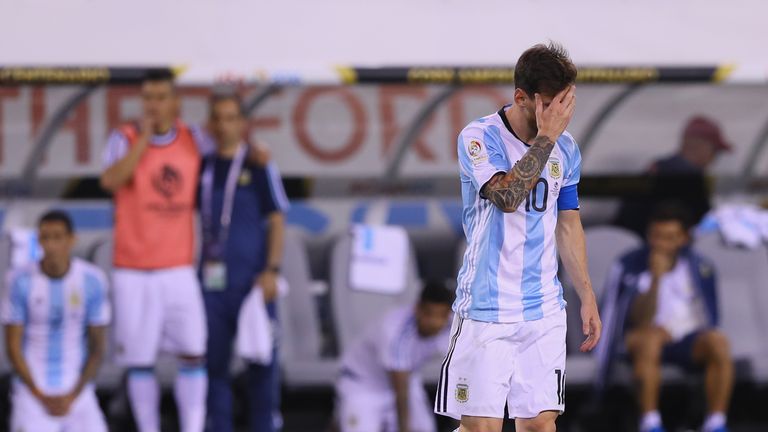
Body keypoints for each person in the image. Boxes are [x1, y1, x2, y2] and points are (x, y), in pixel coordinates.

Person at [436, 42, 602, 432]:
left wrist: (587, 293)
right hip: (486, 309)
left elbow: (568, 223)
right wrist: (545, 138)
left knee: (541, 426)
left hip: (543, 310)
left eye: (567, 103)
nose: (561, 115)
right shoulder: (479, 138)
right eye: (551, 105)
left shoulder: (568, 149)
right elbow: (508, 197)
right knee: (483, 429)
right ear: (521, 98)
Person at [100, 72, 208, 432]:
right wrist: (143, 140)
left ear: (176, 103)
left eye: (161, 97)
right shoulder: (124, 137)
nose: (153, 105)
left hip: (178, 267)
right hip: (134, 269)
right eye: (147, 98)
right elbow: (111, 181)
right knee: (139, 359)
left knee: (193, 351)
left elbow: (225, 152)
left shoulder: (194, 139)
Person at [598, 203, 732, 432]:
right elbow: (634, 319)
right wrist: (656, 280)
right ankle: (650, 423)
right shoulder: (631, 264)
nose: (661, 243)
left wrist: (686, 331)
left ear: (684, 238)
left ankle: (715, 423)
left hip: (687, 339)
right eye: (656, 236)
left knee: (718, 342)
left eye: (669, 237)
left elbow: (710, 317)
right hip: (642, 338)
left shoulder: (700, 266)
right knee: (650, 338)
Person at [199, 93, 289, 432]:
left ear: (243, 123)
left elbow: (277, 220)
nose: (224, 125)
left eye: (231, 118)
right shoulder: (200, 166)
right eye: (217, 118)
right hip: (212, 285)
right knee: (214, 367)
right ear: (210, 124)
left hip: (254, 284)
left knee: (263, 366)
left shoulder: (259, 164)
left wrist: (272, 270)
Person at [2, 210, 110, 432]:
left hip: (77, 391)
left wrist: (73, 395)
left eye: (57, 237)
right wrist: (39, 394)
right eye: (45, 237)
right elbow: (13, 347)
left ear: (72, 240)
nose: (50, 245)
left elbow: (97, 347)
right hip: (32, 391)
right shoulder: (19, 280)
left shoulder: (93, 280)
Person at [336, 282, 454, 432]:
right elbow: (400, 389)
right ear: (418, 309)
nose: (434, 322)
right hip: (363, 385)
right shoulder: (394, 329)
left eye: (441, 316)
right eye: (429, 314)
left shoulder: (453, 326)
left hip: (408, 381)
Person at [614, 115, 732, 236]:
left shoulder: (658, 167)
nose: (713, 160)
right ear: (699, 146)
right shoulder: (690, 177)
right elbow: (704, 226)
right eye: (715, 152)